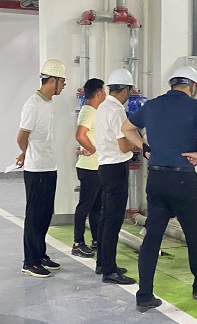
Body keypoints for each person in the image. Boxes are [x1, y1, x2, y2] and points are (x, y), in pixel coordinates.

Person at [122, 66, 197, 311]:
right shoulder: (196, 107)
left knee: (152, 237)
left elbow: (126, 128)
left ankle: (144, 294)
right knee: (194, 236)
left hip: (156, 179)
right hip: (183, 180)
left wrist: (145, 147)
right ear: (193, 86)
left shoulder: (152, 105)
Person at [16, 59, 66, 277]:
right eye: (62, 81)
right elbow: (21, 136)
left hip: (49, 166)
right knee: (34, 216)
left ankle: (40, 254)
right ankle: (30, 261)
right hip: (36, 169)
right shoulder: (33, 105)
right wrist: (27, 153)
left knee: (45, 215)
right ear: (52, 80)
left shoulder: (49, 103)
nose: (64, 85)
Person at [95, 68, 138, 285]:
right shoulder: (118, 110)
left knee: (105, 217)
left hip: (104, 166)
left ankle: (102, 263)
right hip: (116, 167)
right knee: (113, 220)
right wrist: (137, 145)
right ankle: (109, 270)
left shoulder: (103, 107)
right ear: (125, 90)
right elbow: (123, 146)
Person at [72, 78, 105, 258]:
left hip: (96, 166)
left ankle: (96, 240)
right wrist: (92, 149)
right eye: (104, 91)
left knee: (96, 207)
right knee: (85, 206)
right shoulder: (88, 111)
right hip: (89, 167)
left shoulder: (95, 111)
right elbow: (80, 135)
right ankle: (78, 243)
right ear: (99, 93)